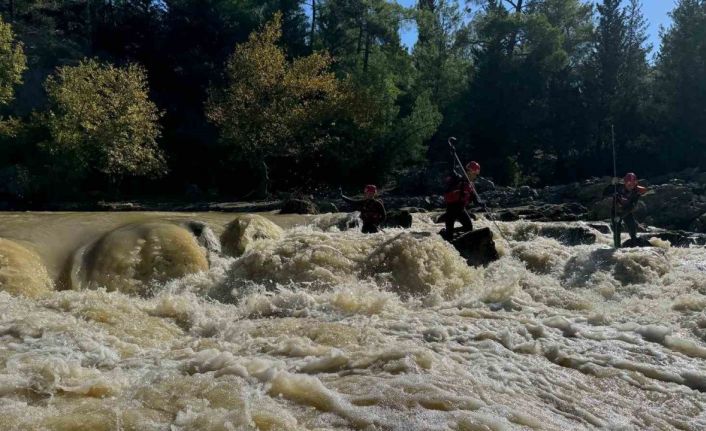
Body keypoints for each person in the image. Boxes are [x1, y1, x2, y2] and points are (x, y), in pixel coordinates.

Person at [442, 161, 482, 240]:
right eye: (475, 174)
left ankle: (452, 234)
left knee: (469, 228)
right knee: (449, 236)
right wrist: (452, 154)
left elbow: (475, 199)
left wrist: (481, 204)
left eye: (476, 174)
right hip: (451, 209)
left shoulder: (471, 185)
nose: (475, 176)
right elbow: (451, 170)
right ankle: (447, 233)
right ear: (469, 171)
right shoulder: (458, 178)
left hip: (461, 209)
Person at [612, 172, 647, 247]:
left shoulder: (636, 192)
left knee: (632, 228)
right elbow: (607, 190)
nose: (631, 186)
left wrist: (621, 216)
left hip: (626, 210)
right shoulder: (617, 186)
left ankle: (634, 245)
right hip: (615, 211)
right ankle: (616, 248)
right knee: (617, 230)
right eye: (628, 184)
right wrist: (612, 183)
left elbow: (631, 207)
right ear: (625, 182)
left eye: (633, 184)